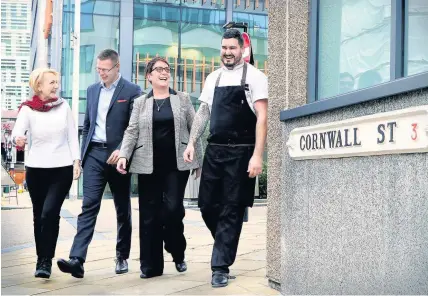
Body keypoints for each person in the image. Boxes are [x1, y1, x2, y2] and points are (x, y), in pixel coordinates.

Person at [183, 29, 268, 288]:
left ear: (242, 50)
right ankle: (225, 243)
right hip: (215, 150)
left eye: (233, 48)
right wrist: (192, 142)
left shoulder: (255, 77)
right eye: (224, 47)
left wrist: (257, 156)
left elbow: (262, 118)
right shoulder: (213, 78)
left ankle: (219, 266)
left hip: (242, 151)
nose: (228, 52)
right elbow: (203, 112)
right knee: (207, 205)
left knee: (231, 207)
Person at [57, 49, 141, 278]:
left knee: (122, 207)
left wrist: (122, 150)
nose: (101, 73)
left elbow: (135, 127)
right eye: (98, 69)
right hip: (94, 153)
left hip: (119, 157)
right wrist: (80, 158)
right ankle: (77, 259)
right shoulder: (92, 90)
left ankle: (122, 256)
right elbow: (88, 124)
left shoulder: (132, 91)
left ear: (116, 67)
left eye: (105, 70)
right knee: (89, 205)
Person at [116, 57, 203, 279]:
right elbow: (132, 131)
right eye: (159, 69)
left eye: (167, 69)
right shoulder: (140, 103)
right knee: (148, 216)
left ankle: (177, 251)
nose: (164, 73)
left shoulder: (182, 99)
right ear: (149, 76)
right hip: (147, 165)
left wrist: (198, 160)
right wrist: (124, 154)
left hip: (176, 165)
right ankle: (150, 267)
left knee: (173, 211)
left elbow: (195, 129)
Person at [11, 68, 81, 279]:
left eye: (57, 82)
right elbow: (17, 132)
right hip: (36, 169)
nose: (56, 85)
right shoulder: (28, 109)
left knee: (49, 213)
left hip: (61, 169)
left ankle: (46, 258)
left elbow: (72, 136)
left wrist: (76, 161)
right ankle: (42, 261)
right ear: (38, 86)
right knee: (38, 216)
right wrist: (18, 139)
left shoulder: (63, 106)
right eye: (51, 82)